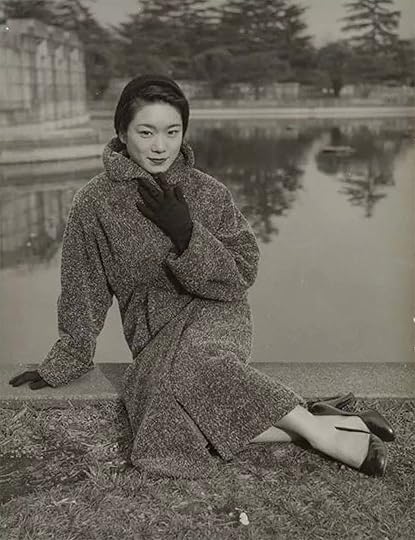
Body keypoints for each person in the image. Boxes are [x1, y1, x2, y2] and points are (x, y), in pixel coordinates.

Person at [9, 74, 395, 479]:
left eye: (172, 132)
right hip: (153, 333)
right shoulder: (93, 202)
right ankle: (324, 419)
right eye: (146, 132)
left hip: (216, 314)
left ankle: (322, 434)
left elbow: (242, 272)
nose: (160, 146)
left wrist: (187, 235)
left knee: (193, 368)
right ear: (121, 132)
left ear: (184, 133)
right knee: (165, 425)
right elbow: (82, 287)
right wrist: (69, 356)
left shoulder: (208, 192)